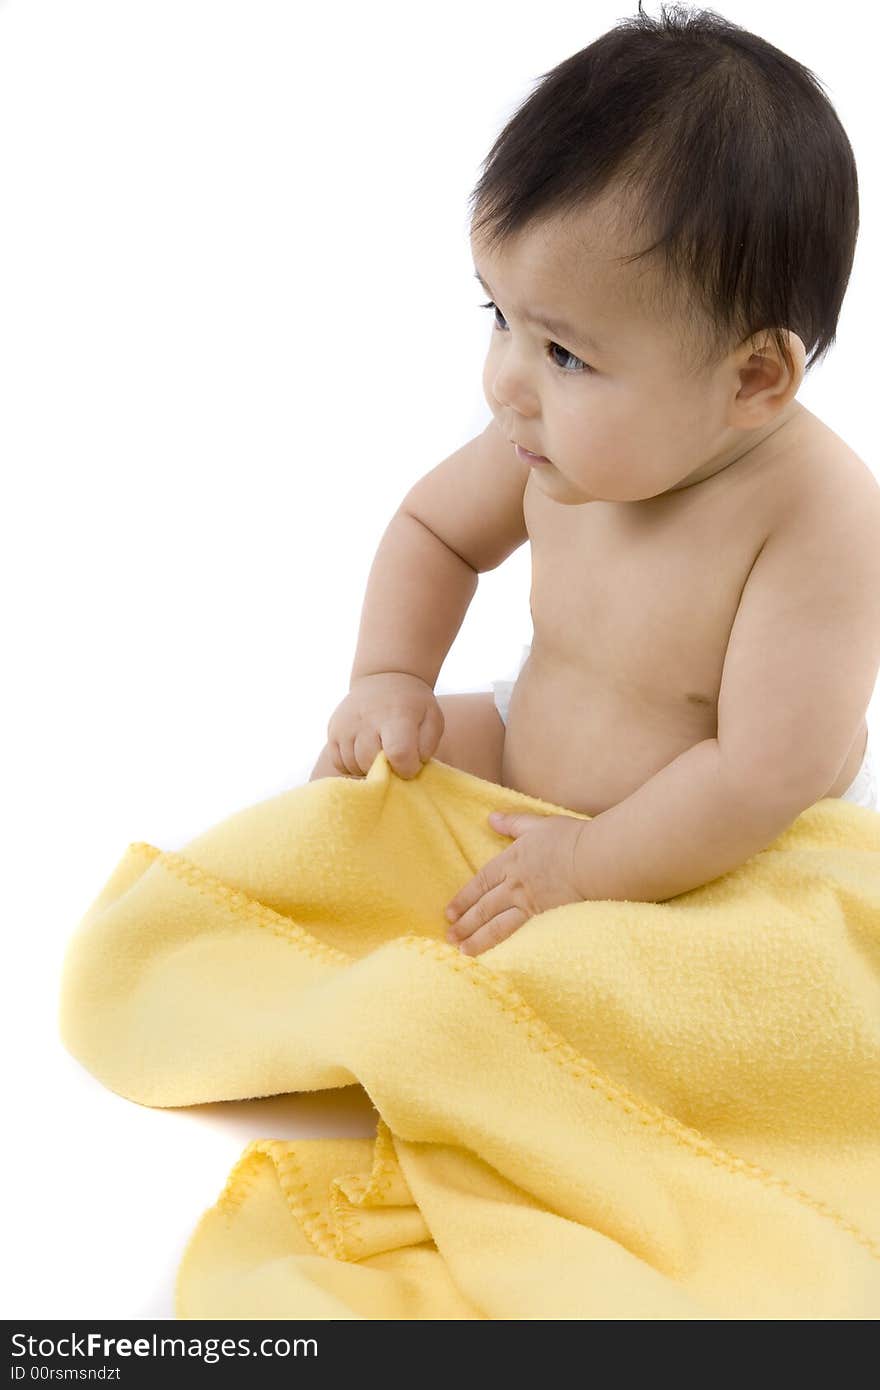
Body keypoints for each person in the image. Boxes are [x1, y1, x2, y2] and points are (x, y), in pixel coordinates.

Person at [307, 3, 880, 951]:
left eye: (564, 353)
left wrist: (586, 865)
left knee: (750, 963)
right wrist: (390, 678)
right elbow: (434, 531)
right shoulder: (547, 438)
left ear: (752, 378)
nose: (505, 381)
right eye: (498, 314)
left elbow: (759, 778)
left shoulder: (821, 520)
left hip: (725, 845)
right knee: (349, 779)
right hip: (524, 747)